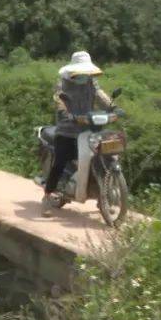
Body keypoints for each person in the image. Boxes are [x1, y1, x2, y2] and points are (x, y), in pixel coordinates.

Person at [43, 51, 112, 217]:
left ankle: (101, 196)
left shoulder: (91, 81)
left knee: (102, 158)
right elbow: (59, 100)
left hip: (88, 128)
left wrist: (113, 106)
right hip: (67, 129)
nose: (85, 76)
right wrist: (66, 113)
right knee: (60, 162)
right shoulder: (62, 84)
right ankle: (46, 196)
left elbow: (100, 94)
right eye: (82, 72)